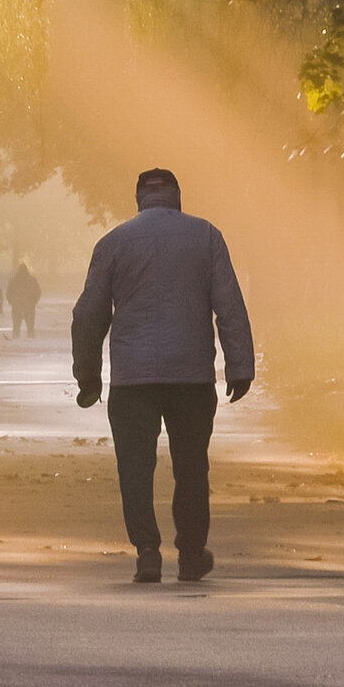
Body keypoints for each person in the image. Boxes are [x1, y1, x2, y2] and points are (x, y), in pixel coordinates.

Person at [71, 167, 254, 583]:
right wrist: (240, 366)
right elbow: (229, 305)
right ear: (177, 197)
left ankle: (147, 551)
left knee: (135, 468)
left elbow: (88, 315)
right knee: (191, 467)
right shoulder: (206, 237)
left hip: (132, 379)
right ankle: (190, 553)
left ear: (139, 199)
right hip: (191, 375)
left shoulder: (114, 243)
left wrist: (88, 375)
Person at [6, 262, 42, 337]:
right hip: (29, 306)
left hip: (17, 305)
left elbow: (9, 292)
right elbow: (37, 291)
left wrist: (12, 302)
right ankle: (31, 340)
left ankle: (15, 340)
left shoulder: (13, 280)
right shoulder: (31, 280)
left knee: (16, 326)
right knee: (30, 327)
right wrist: (34, 301)